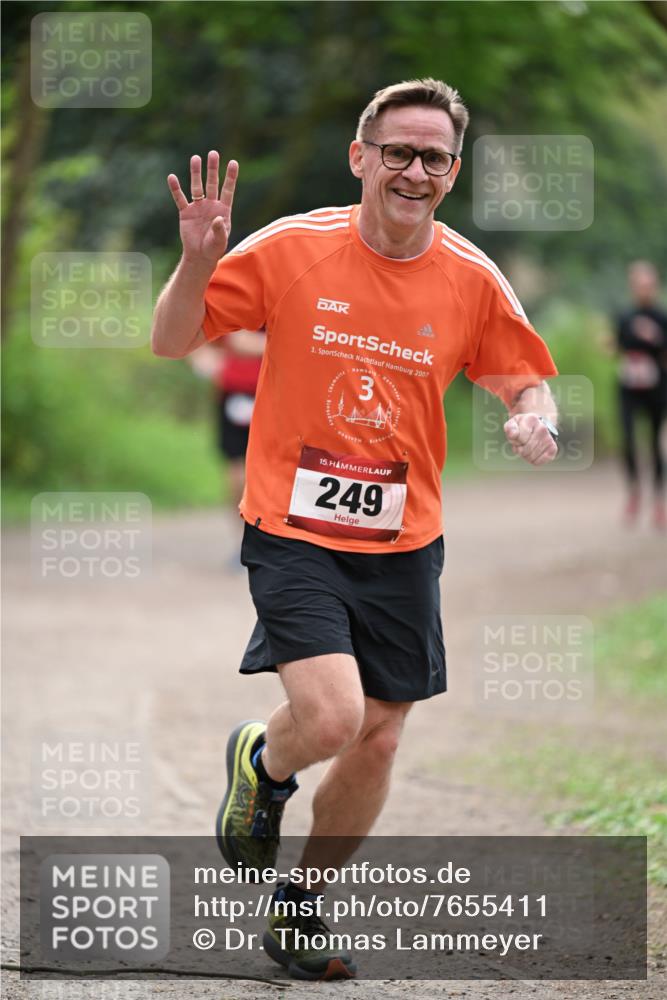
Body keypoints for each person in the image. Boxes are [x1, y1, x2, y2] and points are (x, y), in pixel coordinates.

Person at [151, 78, 559, 980]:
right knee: (335, 717)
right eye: (398, 152)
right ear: (360, 157)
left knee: (380, 736)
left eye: (434, 158)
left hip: (404, 541)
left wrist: (537, 418)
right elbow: (172, 340)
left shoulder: (470, 276)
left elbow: (526, 378)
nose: (414, 171)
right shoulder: (293, 247)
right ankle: (268, 763)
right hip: (292, 525)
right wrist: (194, 264)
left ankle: (300, 902)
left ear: (452, 171)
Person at [189, 329, 266, 563]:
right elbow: (198, 336)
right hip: (239, 391)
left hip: (275, 393)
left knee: (272, 469)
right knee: (238, 469)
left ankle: (254, 543)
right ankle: (245, 542)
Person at [615, 261, 667, 529]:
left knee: (656, 443)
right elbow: (617, 345)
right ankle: (634, 491)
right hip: (629, 386)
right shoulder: (625, 316)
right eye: (639, 285)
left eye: (648, 285)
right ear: (633, 287)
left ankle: (659, 500)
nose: (644, 289)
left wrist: (655, 339)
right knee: (628, 438)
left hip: (656, 386)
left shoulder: (662, 317)